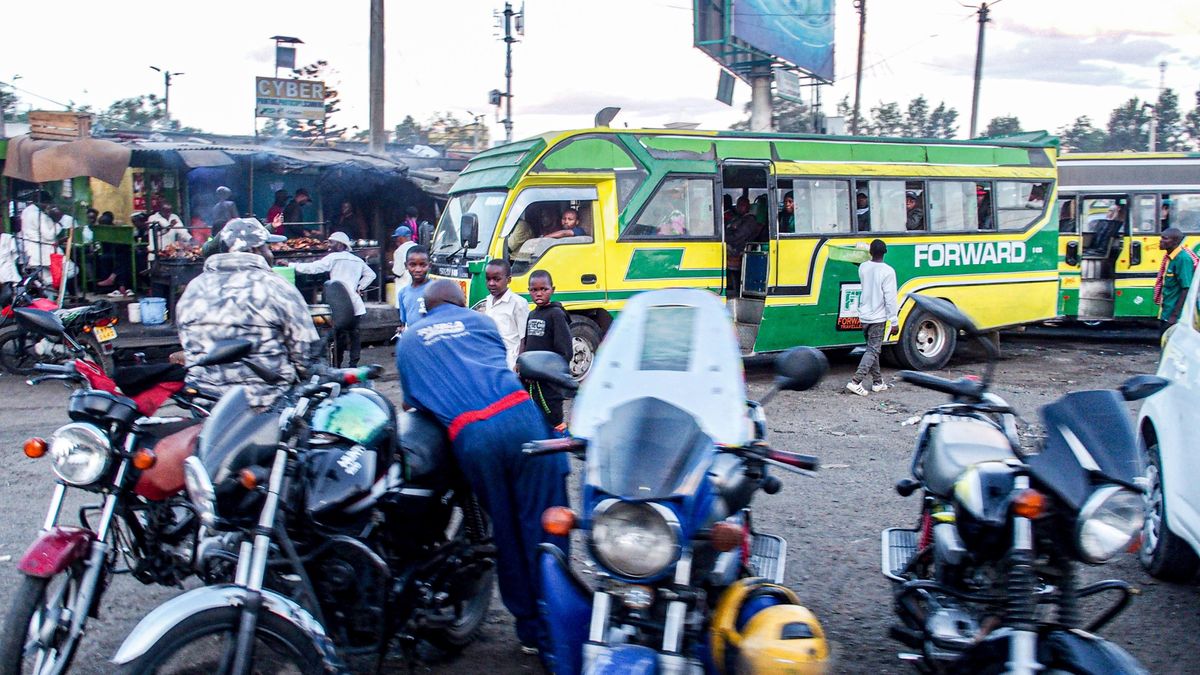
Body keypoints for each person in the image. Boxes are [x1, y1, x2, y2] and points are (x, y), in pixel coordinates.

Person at [394, 278, 569, 656]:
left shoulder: (408, 341)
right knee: (544, 527)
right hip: (521, 418)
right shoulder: (482, 323)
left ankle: (529, 633)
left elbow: (413, 407)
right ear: (460, 304)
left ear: (426, 308)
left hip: (472, 438)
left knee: (505, 534)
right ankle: (558, 629)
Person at [176, 218, 319, 409]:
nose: (271, 253)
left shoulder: (194, 287)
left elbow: (187, 343)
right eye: (267, 247)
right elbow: (304, 357)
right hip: (266, 404)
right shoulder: (277, 287)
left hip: (205, 402)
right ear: (254, 250)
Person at [287, 231, 376, 367]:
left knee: (338, 335)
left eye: (331, 242)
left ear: (340, 245)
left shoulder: (333, 258)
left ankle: (337, 365)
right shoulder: (357, 260)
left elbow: (313, 268)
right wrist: (360, 287)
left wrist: (291, 265)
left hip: (339, 305)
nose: (329, 245)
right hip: (355, 304)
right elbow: (371, 275)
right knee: (354, 335)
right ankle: (353, 365)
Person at [520, 269, 573, 430]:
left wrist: (547, 373)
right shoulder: (532, 314)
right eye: (534, 290)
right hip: (532, 383)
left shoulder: (556, 314)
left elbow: (565, 352)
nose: (539, 294)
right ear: (529, 291)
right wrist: (524, 367)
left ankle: (560, 447)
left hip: (550, 384)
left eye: (544, 289)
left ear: (552, 290)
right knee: (535, 419)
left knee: (554, 420)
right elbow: (528, 344)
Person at [847, 239, 899, 397]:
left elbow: (862, 265)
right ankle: (856, 382)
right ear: (885, 253)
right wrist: (894, 321)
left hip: (864, 316)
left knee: (872, 349)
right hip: (878, 317)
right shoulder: (888, 271)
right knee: (873, 350)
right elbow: (890, 298)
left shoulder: (863, 267)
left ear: (870, 252)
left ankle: (878, 382)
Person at [481, 258, 529, 369]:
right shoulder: (488, 301)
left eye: (496, 279)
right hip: (491, 359)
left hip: (509, 363)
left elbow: (524, 338)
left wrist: (519, 364)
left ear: (508, 280)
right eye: (488, 279)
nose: (491, 283)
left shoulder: (518, 303)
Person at [1154, 227, 1199, 334]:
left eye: (1165, 239)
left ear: (1174, 242)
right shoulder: (1169, 257)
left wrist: (1174, 316)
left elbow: (1186, 289)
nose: (1161, 241)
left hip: (1175, 318)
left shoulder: (1182, 259)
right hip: (1166, 313)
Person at [725, 195, 760, 295]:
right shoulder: (736, 218)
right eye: (738, 205)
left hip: (740, 248)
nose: (740, 207)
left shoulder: (750, 220)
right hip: (734, 246)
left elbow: (739, 236)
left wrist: (724, 239)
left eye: (743, 205)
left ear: (748, 207)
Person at [396, 245, 430, 332]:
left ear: (429, 265)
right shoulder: (403, 293)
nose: (418, 269)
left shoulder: (436, 290)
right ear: (406, 265)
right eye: (413, 265)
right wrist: (402, 329)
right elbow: (404, 321)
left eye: (423, 265)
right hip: (413, 340)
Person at [391, 225, 417, 290]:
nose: (396, 240)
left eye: (397, 237)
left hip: (404, 285)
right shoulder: (418, 247)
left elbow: (398, 272)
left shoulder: (399, 251)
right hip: (417, 285)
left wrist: (393, 264)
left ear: (401, 237)